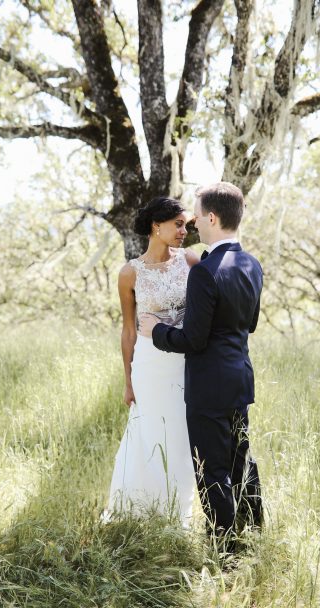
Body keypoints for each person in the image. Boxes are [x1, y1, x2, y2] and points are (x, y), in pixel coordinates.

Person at [139, 182, 263, 551]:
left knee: (212, 470)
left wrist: (157, 330)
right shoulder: (251, 264)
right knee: (242, 463)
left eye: (196, 214)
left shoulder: (206, 271)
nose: (192, 222)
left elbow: (192, 340)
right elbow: (250, 323)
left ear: (211, 217)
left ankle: (225, 550)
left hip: (209, 384)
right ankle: (255, 533)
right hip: (240, 377)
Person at [105, 196, 200, 525]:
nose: (183, 230)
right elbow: (128, 331)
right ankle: (137, 513)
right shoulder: (129, 273)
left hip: (185, 362)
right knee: (147, 434)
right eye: (177, 224)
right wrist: (128, 382)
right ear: (155, 226)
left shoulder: (189, 260)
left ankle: (179, 516)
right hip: (149, 367)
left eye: (186, 224)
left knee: (181, 435)